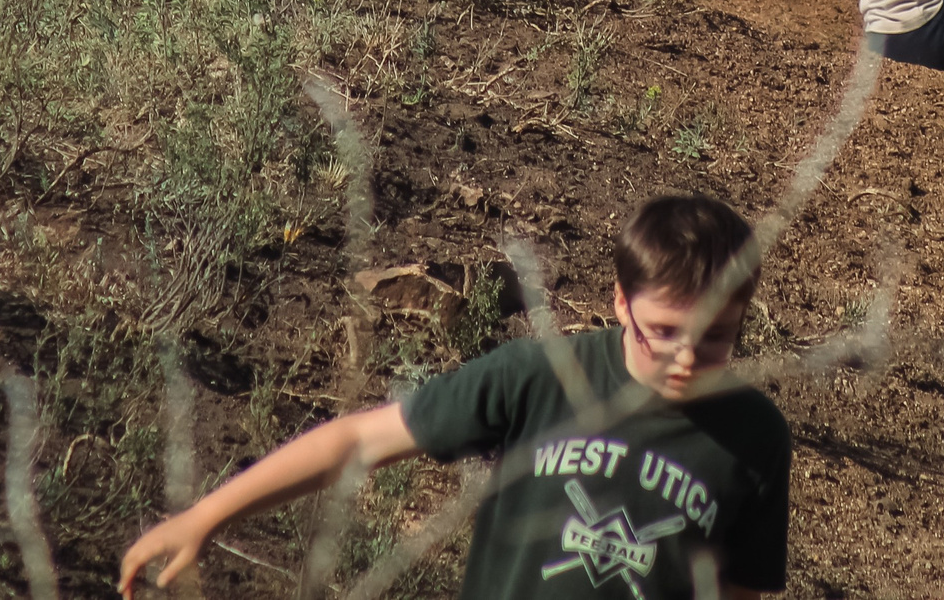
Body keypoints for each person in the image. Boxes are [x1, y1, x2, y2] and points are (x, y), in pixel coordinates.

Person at [118, 194, 790, 598]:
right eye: (665, 331)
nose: (686, 356)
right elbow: (357, 438)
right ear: (619, 301)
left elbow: (737, 589)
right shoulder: (540, 377)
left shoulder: (753, 437)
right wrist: (207, 516)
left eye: (716, 337)